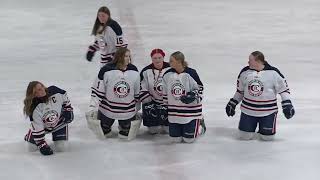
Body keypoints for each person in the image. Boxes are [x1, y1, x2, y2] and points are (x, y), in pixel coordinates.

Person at [225, 51, 295, 141]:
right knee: (244, 136)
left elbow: (283, 90)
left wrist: (287, 104)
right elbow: (240, 91)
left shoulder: (273, 73)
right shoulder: (245, 72)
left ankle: (264, 128)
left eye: (250, 60)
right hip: (248, 111)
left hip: (268, 112)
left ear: (258, 61)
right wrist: (233, 103)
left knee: (267, 138)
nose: (248, 62)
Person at [86, 47, 141, 140]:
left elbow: (137, 91)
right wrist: (93, 105)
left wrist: (137, 106)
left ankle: (124, 126)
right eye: (125, 56)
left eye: (128, 56)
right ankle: (106, 126)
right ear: (119, 57)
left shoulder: (134, 70)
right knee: (104, 132)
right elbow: (98, 89)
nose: (128, 58)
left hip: (127, 111)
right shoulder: (106, 70)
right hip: (107, 110)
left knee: (125, 135)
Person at [162, 51, 206, 143]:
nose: (169, 63)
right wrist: (165, 107)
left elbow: (200, 89)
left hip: (190, 113)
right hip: (174, 114)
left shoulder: (191, 73)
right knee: (175, 139)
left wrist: (192, 95)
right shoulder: (167, 74)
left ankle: (200, 124)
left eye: (171, 61)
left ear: (179, 61)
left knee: (188, 140)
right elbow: (165, 93)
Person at [23, 81, 74, 156]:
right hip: (43, 128)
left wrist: (68, 109)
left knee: (61, 148)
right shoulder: (34, 107)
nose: (41, 92)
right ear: (33, 95)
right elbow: (38, 126)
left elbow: (64, 97)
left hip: (59, 124)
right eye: (36, 92)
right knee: (31, 148)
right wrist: (41, 144)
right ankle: (29, 136)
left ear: (43, 86)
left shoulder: (55, 91)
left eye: (41, 88)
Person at [140, 49, 171, 134]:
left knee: (168, 130)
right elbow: (141, 87)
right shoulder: (145, 71)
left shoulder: (171, 68)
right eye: (155, 58)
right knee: (154, 130)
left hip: (168, 103)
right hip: (153, 103)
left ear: (163, 57)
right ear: (151, 58)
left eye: (159, 57)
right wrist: (148, 101)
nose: (157, 60)